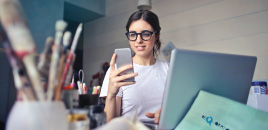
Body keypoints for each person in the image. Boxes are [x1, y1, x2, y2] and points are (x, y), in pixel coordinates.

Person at [99, 10, 169, 124]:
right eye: (133, 34)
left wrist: (168, 114)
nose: (138, 40)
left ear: (157, 35)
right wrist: (111, 95)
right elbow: (110, 124)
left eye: (146, 34)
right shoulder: (118, 71)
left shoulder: (169, 69)